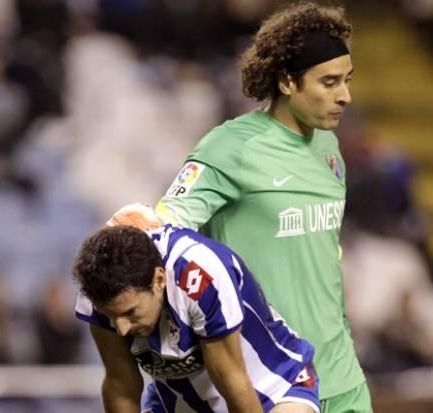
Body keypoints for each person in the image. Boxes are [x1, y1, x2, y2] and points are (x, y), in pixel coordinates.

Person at [154, 2, 371, 412]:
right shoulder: (230, 147)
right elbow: (163, 231)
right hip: (272, 386)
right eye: (329, 82)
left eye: (346, 80)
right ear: (288, 82)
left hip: (343, 378)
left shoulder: (328, 145)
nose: (345, 96)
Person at [73, 218, 320, 412]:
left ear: (158, 280)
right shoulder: (96, 292)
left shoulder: (201, 278)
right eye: (112, 317)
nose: (121, 329)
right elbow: (122, 386)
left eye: (130, 313)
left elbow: (232, 381)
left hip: (273, 388)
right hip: (178, 404)